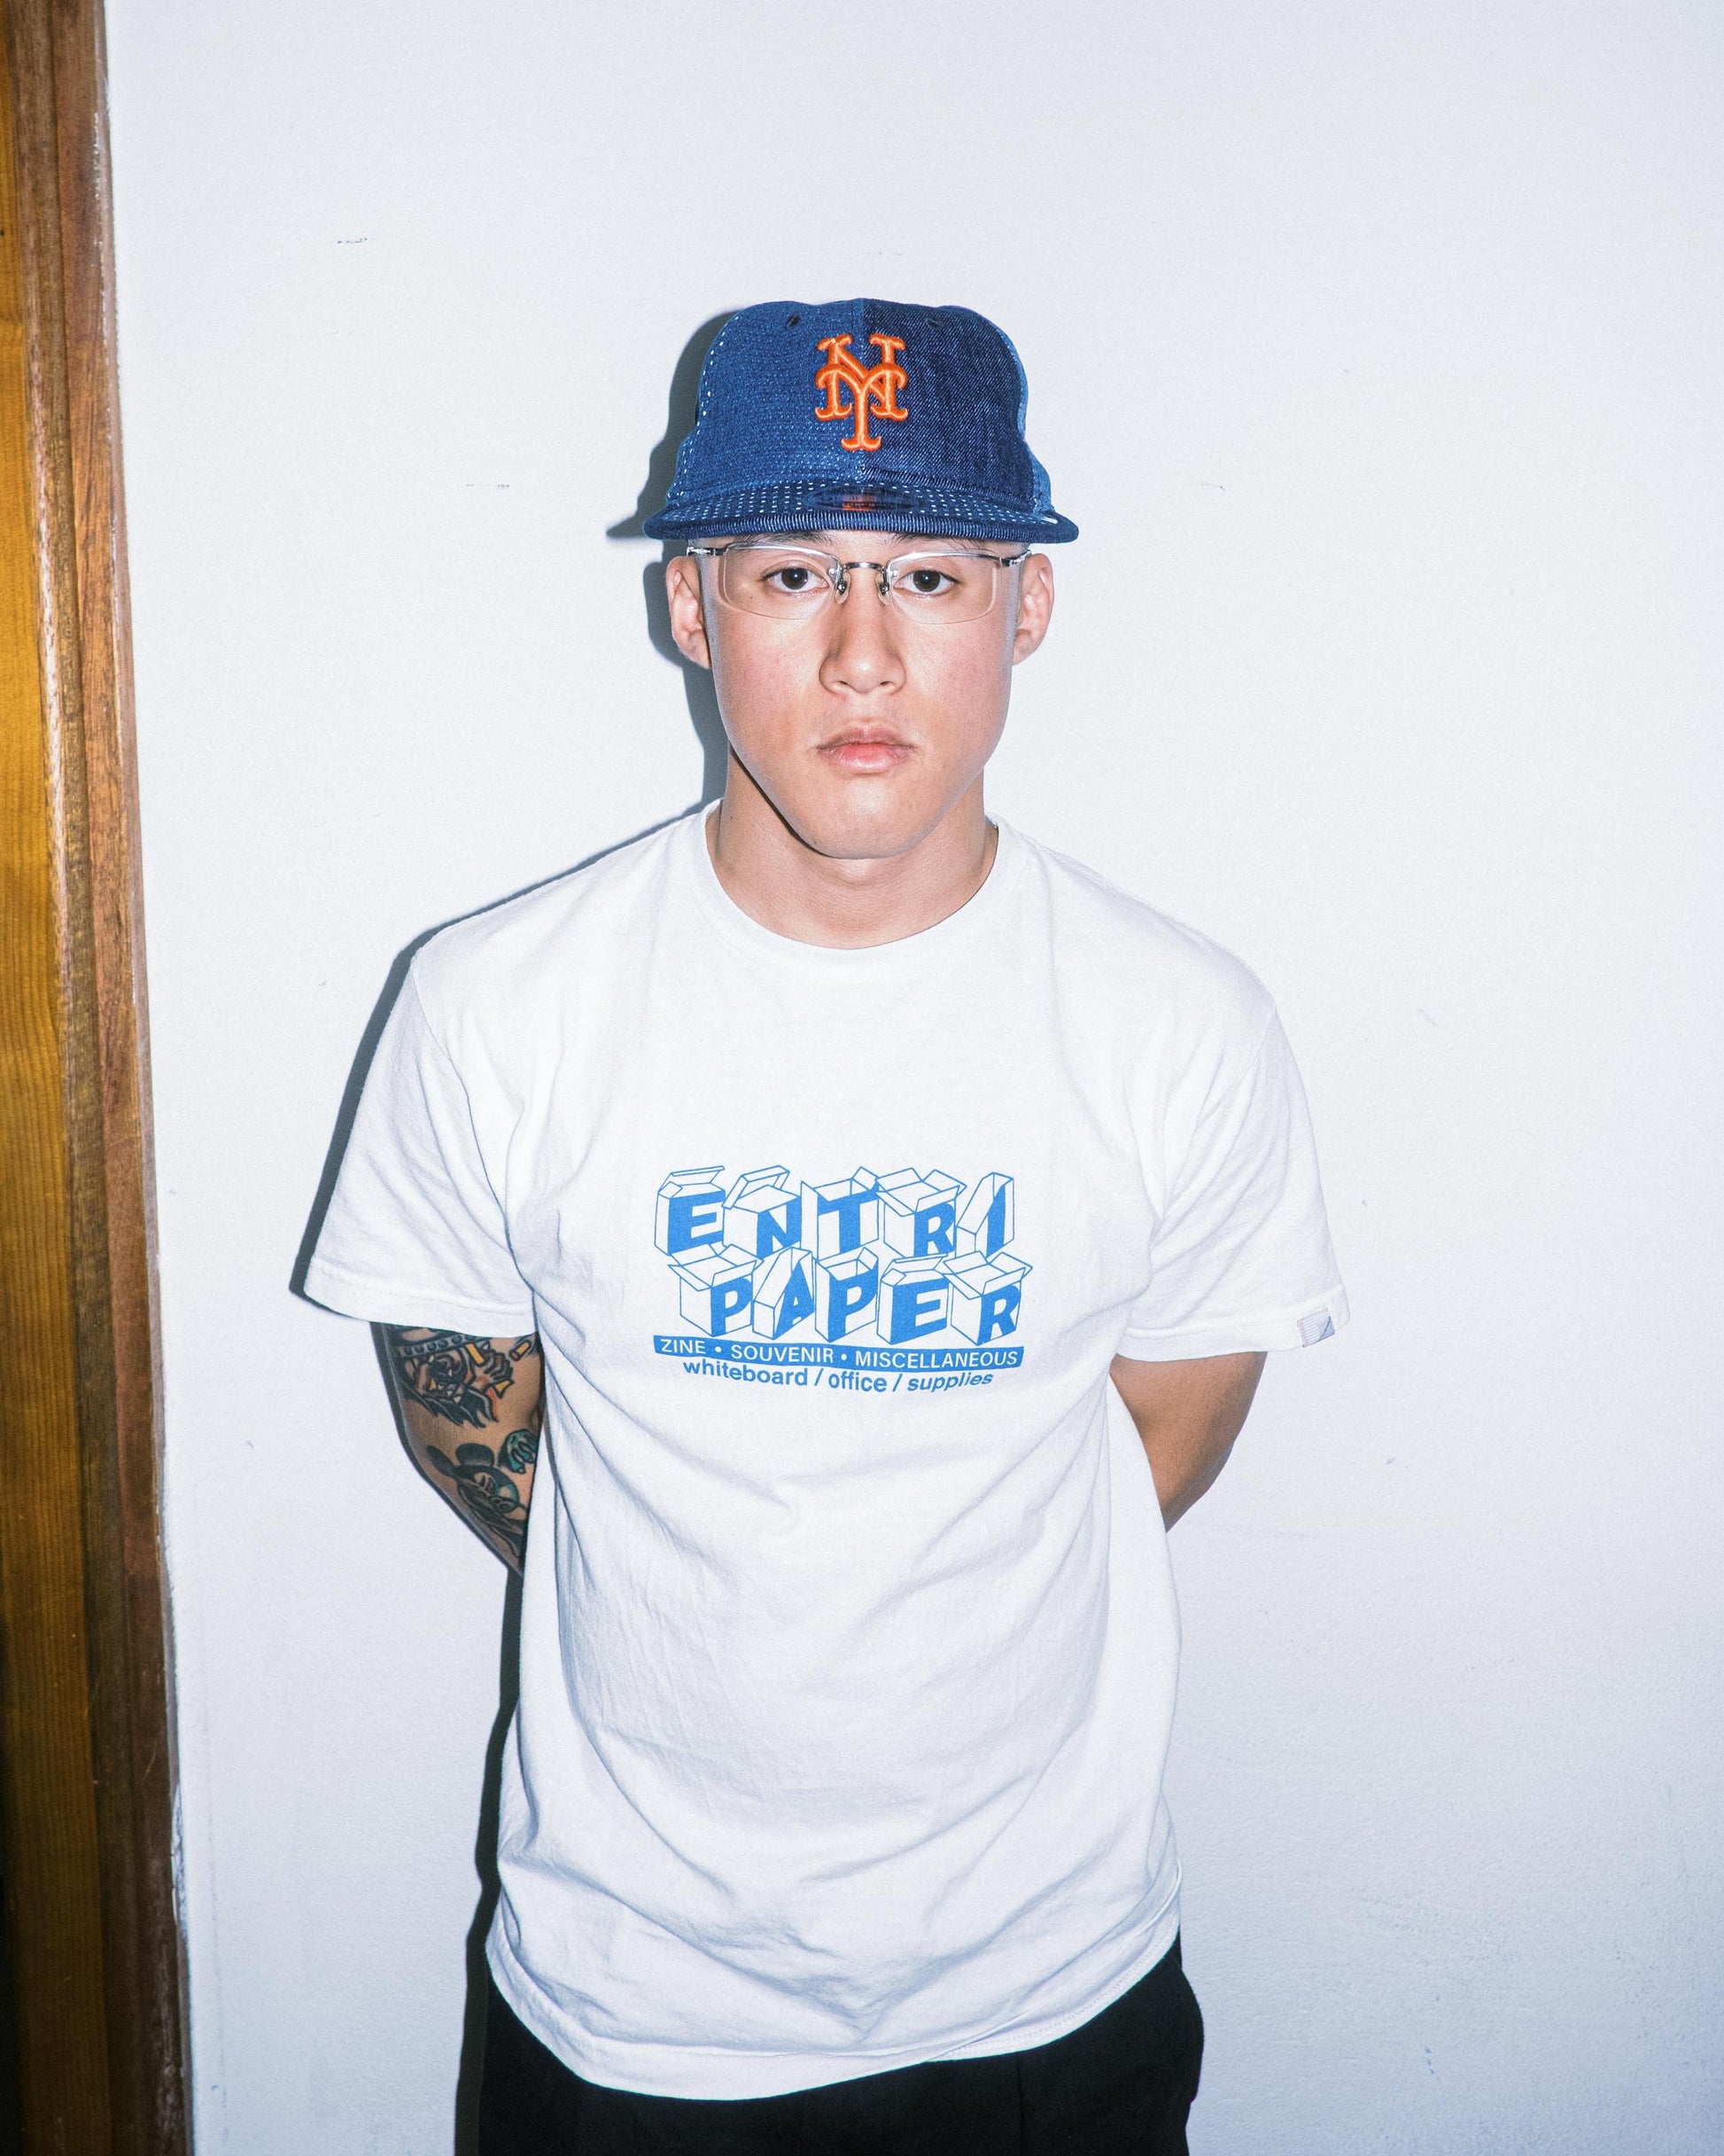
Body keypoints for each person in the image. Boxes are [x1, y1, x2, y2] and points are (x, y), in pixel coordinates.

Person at [305, 297, 1347, 2154]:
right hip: (626, 2011)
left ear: (1026, 607)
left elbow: (1156, 1439)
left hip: (1048, 1997)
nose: (864, 653)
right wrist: (711, 1581)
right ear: (691, 606)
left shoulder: (1179, 1022)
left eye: (930, 578)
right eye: (794, 572)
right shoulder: (495, 1003)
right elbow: (468, 1410)